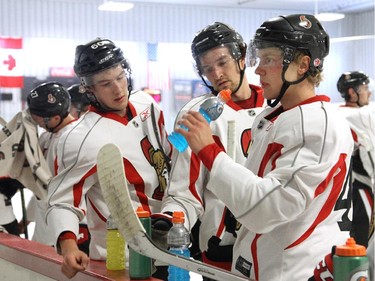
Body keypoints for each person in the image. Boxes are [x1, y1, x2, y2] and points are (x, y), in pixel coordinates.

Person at [173, 14, 354, 280]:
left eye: (269, 60)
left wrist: (209, 150)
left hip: (293, 271)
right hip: (262, 265)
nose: (258, 69)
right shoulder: (279, 117)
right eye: (260, 58)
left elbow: (266, 209)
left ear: (303, 64)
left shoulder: (313, 123)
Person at [45, 38, 172, 279]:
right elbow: (61, 200)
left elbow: (166, 158)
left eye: (120, 77)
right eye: (105, 84)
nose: (118, 89)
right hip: (122, 258)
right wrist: (69, 245)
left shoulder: (147, 103)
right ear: (89, 89)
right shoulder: (81, 137)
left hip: (169, 246)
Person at [159, 21, 265, 274]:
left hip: (272, 244)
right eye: (207, 69)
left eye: (222, 62)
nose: (216, 74)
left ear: (241, 57)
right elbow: (185, 190)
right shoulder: (198, 115)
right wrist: (169, 221)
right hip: (221, 249)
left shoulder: (278, 107)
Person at [22, 82, 80, 247]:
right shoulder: (46, 136)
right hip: (43, 228)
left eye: (38, 117)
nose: (35, 120)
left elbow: (66, 192)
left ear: (55, 118)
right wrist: (27, 218)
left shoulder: (73, 139)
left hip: (61, 231)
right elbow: (41, 186)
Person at [337, 71, 374, 247]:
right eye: (365, 88)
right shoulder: (354, 115)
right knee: (362, 239)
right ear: (352, 93)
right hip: (359, 187)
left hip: (357, 187)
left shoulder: (345, 114)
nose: (369, 93)